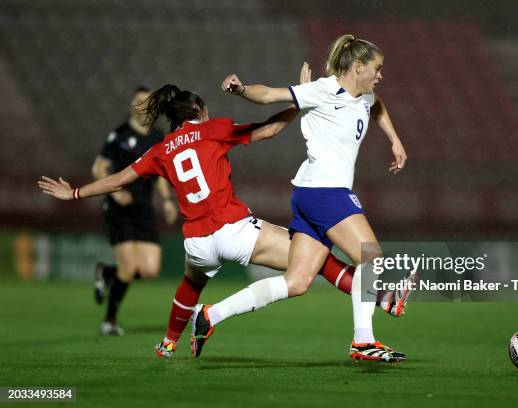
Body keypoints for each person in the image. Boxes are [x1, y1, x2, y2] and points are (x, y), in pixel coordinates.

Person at [38, 65, 410, 358]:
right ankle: (379, 302)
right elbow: (267, 131)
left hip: (197, 242)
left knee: (191, 283)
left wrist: (73, 193)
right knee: (313, 258)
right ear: (198, 110)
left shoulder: (162, 149)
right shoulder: (211, 130)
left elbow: (119, 178)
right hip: (234, 232)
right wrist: (301, 102)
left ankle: (168, 343)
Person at [190, 34, 409, 362]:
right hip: (325, 192)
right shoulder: (322, 90)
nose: (380, 75)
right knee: (372, 258)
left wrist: (394, 139)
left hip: (310, 194)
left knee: (297, 281)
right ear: (358, 67)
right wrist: (241, 89)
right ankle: (363, 340)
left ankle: (209, 315)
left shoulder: (365, 96)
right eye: (376, 68)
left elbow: (377, 106)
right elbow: (269, 95)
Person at [91, 86, 178, 336]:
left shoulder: (158, 137)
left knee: (150, 270)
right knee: (128, 268)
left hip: (143, 206)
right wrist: (115, 193)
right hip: (118, 207)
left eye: (148, 102)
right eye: (139, 101)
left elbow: (160, 173)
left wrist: (167, 200)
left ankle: (107, 272)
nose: (144, 106)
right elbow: (99, 168)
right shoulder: (119, 135)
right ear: (132, 106)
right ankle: (110, 321)